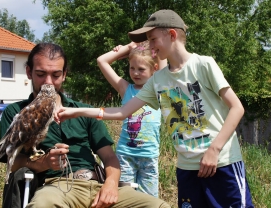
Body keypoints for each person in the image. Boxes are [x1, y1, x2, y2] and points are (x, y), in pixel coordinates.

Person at [55, 10, 254, 208]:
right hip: (187, 168)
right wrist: (76, 111)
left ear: (172, 35)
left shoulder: (203, 65)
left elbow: (236, 108)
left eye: (152, 39)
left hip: (221, 162)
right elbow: (123, 112)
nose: (149, 46)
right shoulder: (158, 80)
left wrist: (214, 149)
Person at [0, 42, 170, 208]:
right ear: (29, 72)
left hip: (97, 185)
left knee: (159, 205)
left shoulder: (83, 111)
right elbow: (12, 162)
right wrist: (43, 162)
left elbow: (109, 157)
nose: (48, 82)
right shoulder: (17, 112)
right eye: (41, 74)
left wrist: (110, 184)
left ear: (64, 74)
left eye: (56, 75)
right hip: (56, 187)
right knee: (43, 205)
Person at [97, 41, 166, 197]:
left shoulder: (158, 88)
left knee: (149, 202)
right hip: (125, 156)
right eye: (132, 68)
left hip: (149, 157)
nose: (135, 73)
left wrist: (155, 43)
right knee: (125, 199)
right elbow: (102, 61)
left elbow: (163, 59)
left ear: (154, 69)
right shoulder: (125, 88)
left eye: (141, 69)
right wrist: (127, 48)